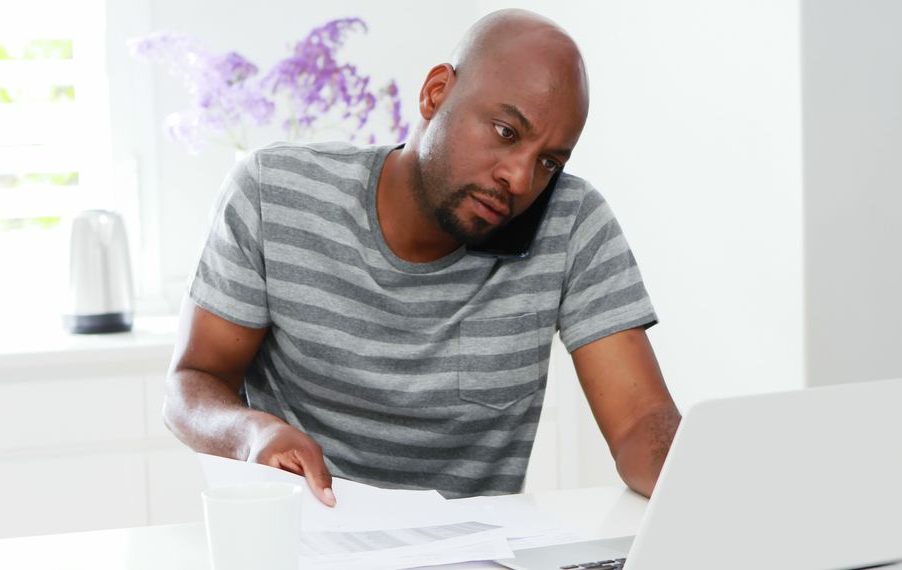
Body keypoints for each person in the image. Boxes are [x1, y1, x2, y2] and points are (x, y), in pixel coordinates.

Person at [164, 8, 680, 507]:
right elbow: (191, 385)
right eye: (506, 132)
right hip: (307, 544)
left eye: (548, 161)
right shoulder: (272, 193)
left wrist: (696, 478)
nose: (520, 180)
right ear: (436, 93)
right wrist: (251, 434)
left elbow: (640, 422)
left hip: (474, 554)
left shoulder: (571, 222)